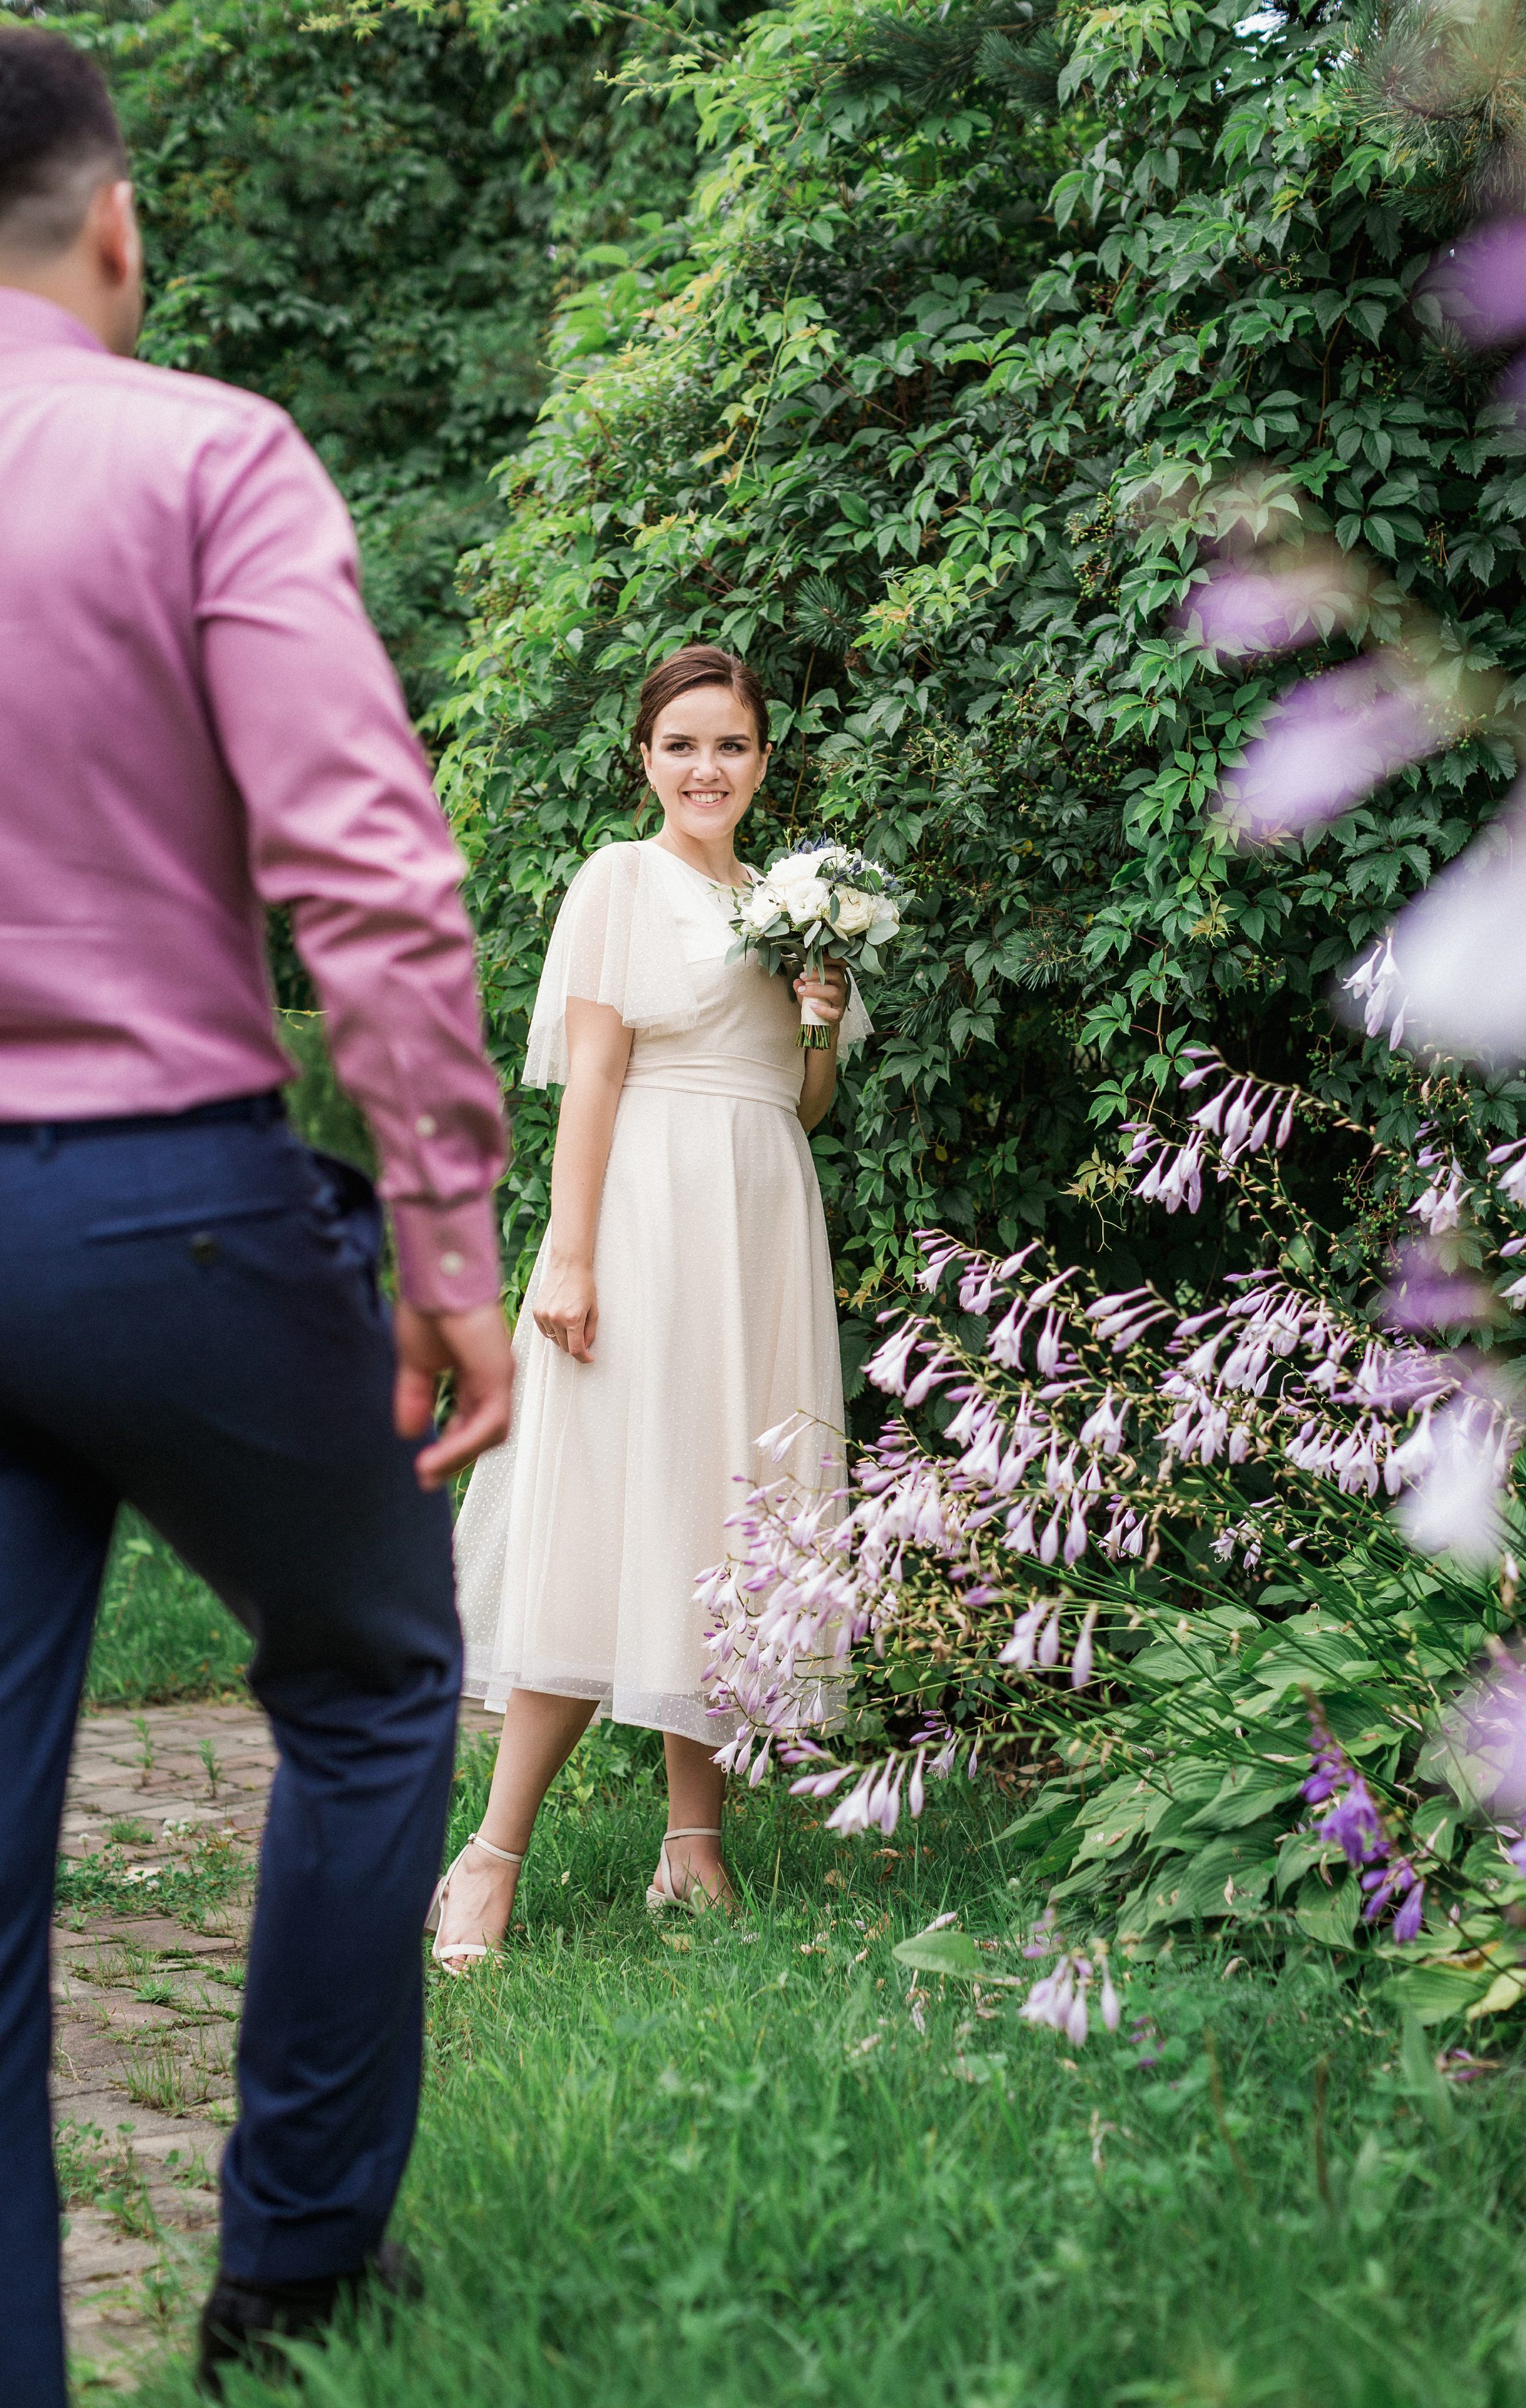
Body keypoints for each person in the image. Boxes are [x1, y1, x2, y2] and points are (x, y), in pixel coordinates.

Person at [0, 31, 516, 2403]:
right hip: (168, 1210)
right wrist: (447, 1245)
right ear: (116, 230)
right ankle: (290, 2282)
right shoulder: (200, 449)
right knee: (382, 1667)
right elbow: (371, 881)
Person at [436, 646, 864, 1965]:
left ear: (763, 762)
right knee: (605, 1511)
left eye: (729, 746)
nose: (705, 770)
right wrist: (566, 1256)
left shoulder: (800, 905)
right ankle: (490, 1857)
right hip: (641, 1216)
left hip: (761, 1218)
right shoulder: (619, 882)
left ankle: (693, 1850)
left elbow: (801, 1107)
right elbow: (593, 1084)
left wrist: (815, 1019)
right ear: (645, 758)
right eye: (681, 745)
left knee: (725, 1512)